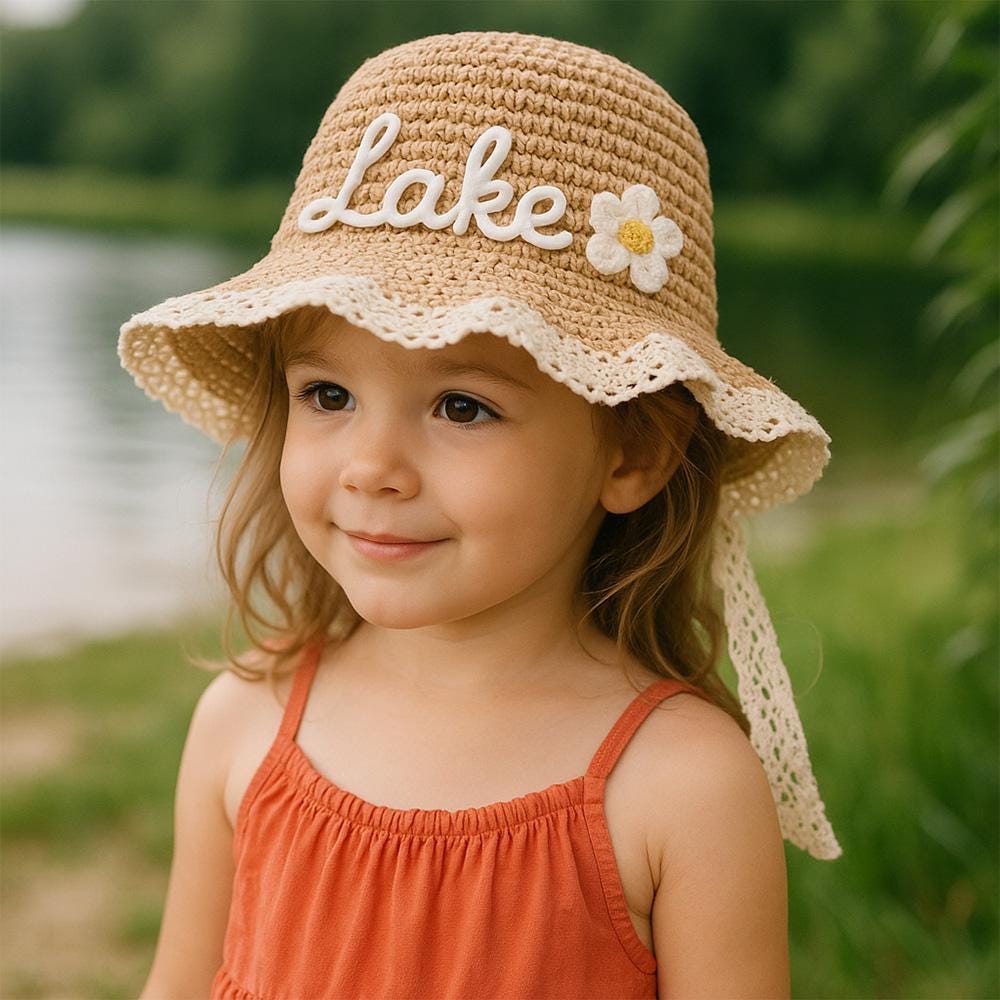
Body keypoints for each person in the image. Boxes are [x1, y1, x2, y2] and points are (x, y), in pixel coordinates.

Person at [118, 30, 842, 1000]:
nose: (373, 467)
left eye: (462, 406)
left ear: (632, 451)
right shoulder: (242, 729)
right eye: (328, 395)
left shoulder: (682, 788)